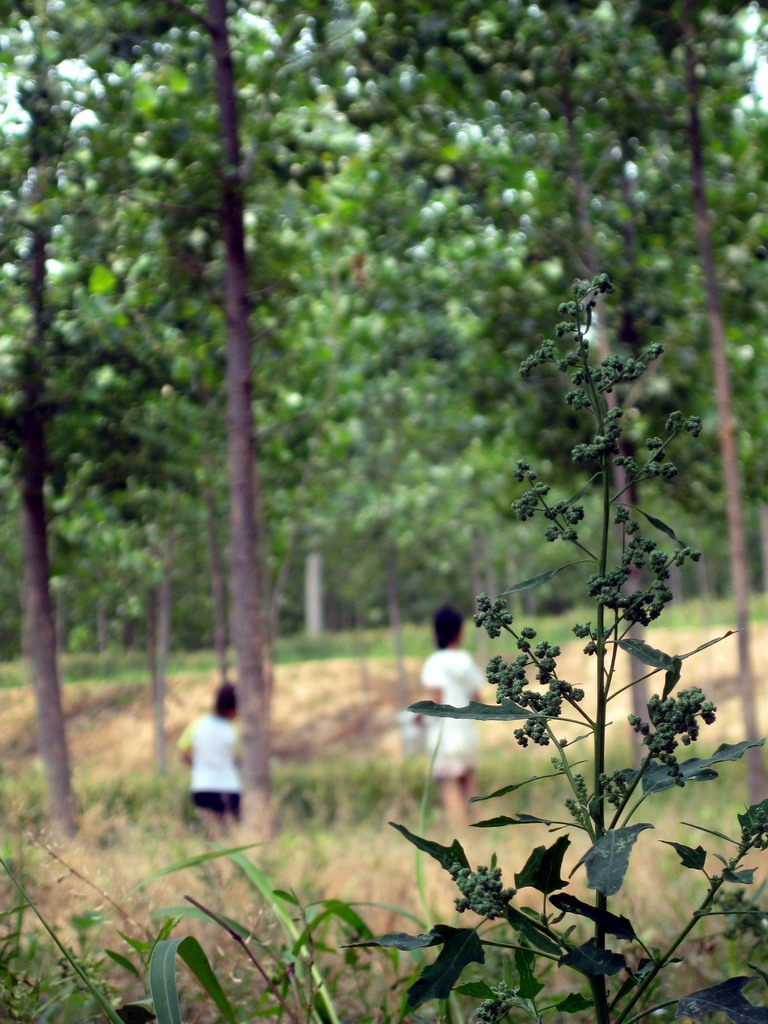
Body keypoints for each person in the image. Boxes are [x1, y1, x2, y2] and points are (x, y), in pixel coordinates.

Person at [420, 605, 484, 826]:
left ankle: (462, 837)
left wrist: (418, 717)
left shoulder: (435, 663)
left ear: (435, 633)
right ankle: (480, 831)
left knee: (448, 785)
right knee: (469, 786)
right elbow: (479, 700)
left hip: (444, 736)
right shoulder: (467, 661)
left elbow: (436, 701)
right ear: (460, 632)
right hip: (466, 732)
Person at [177, 682, 241, 823]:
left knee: (210, 834)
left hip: (202, 787)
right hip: (229, 788)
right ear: (233, 709)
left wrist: (198, 767)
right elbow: (240, 758)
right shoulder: (235, 729)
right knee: (231, 834)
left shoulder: (197, 724)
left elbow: (182, 754)